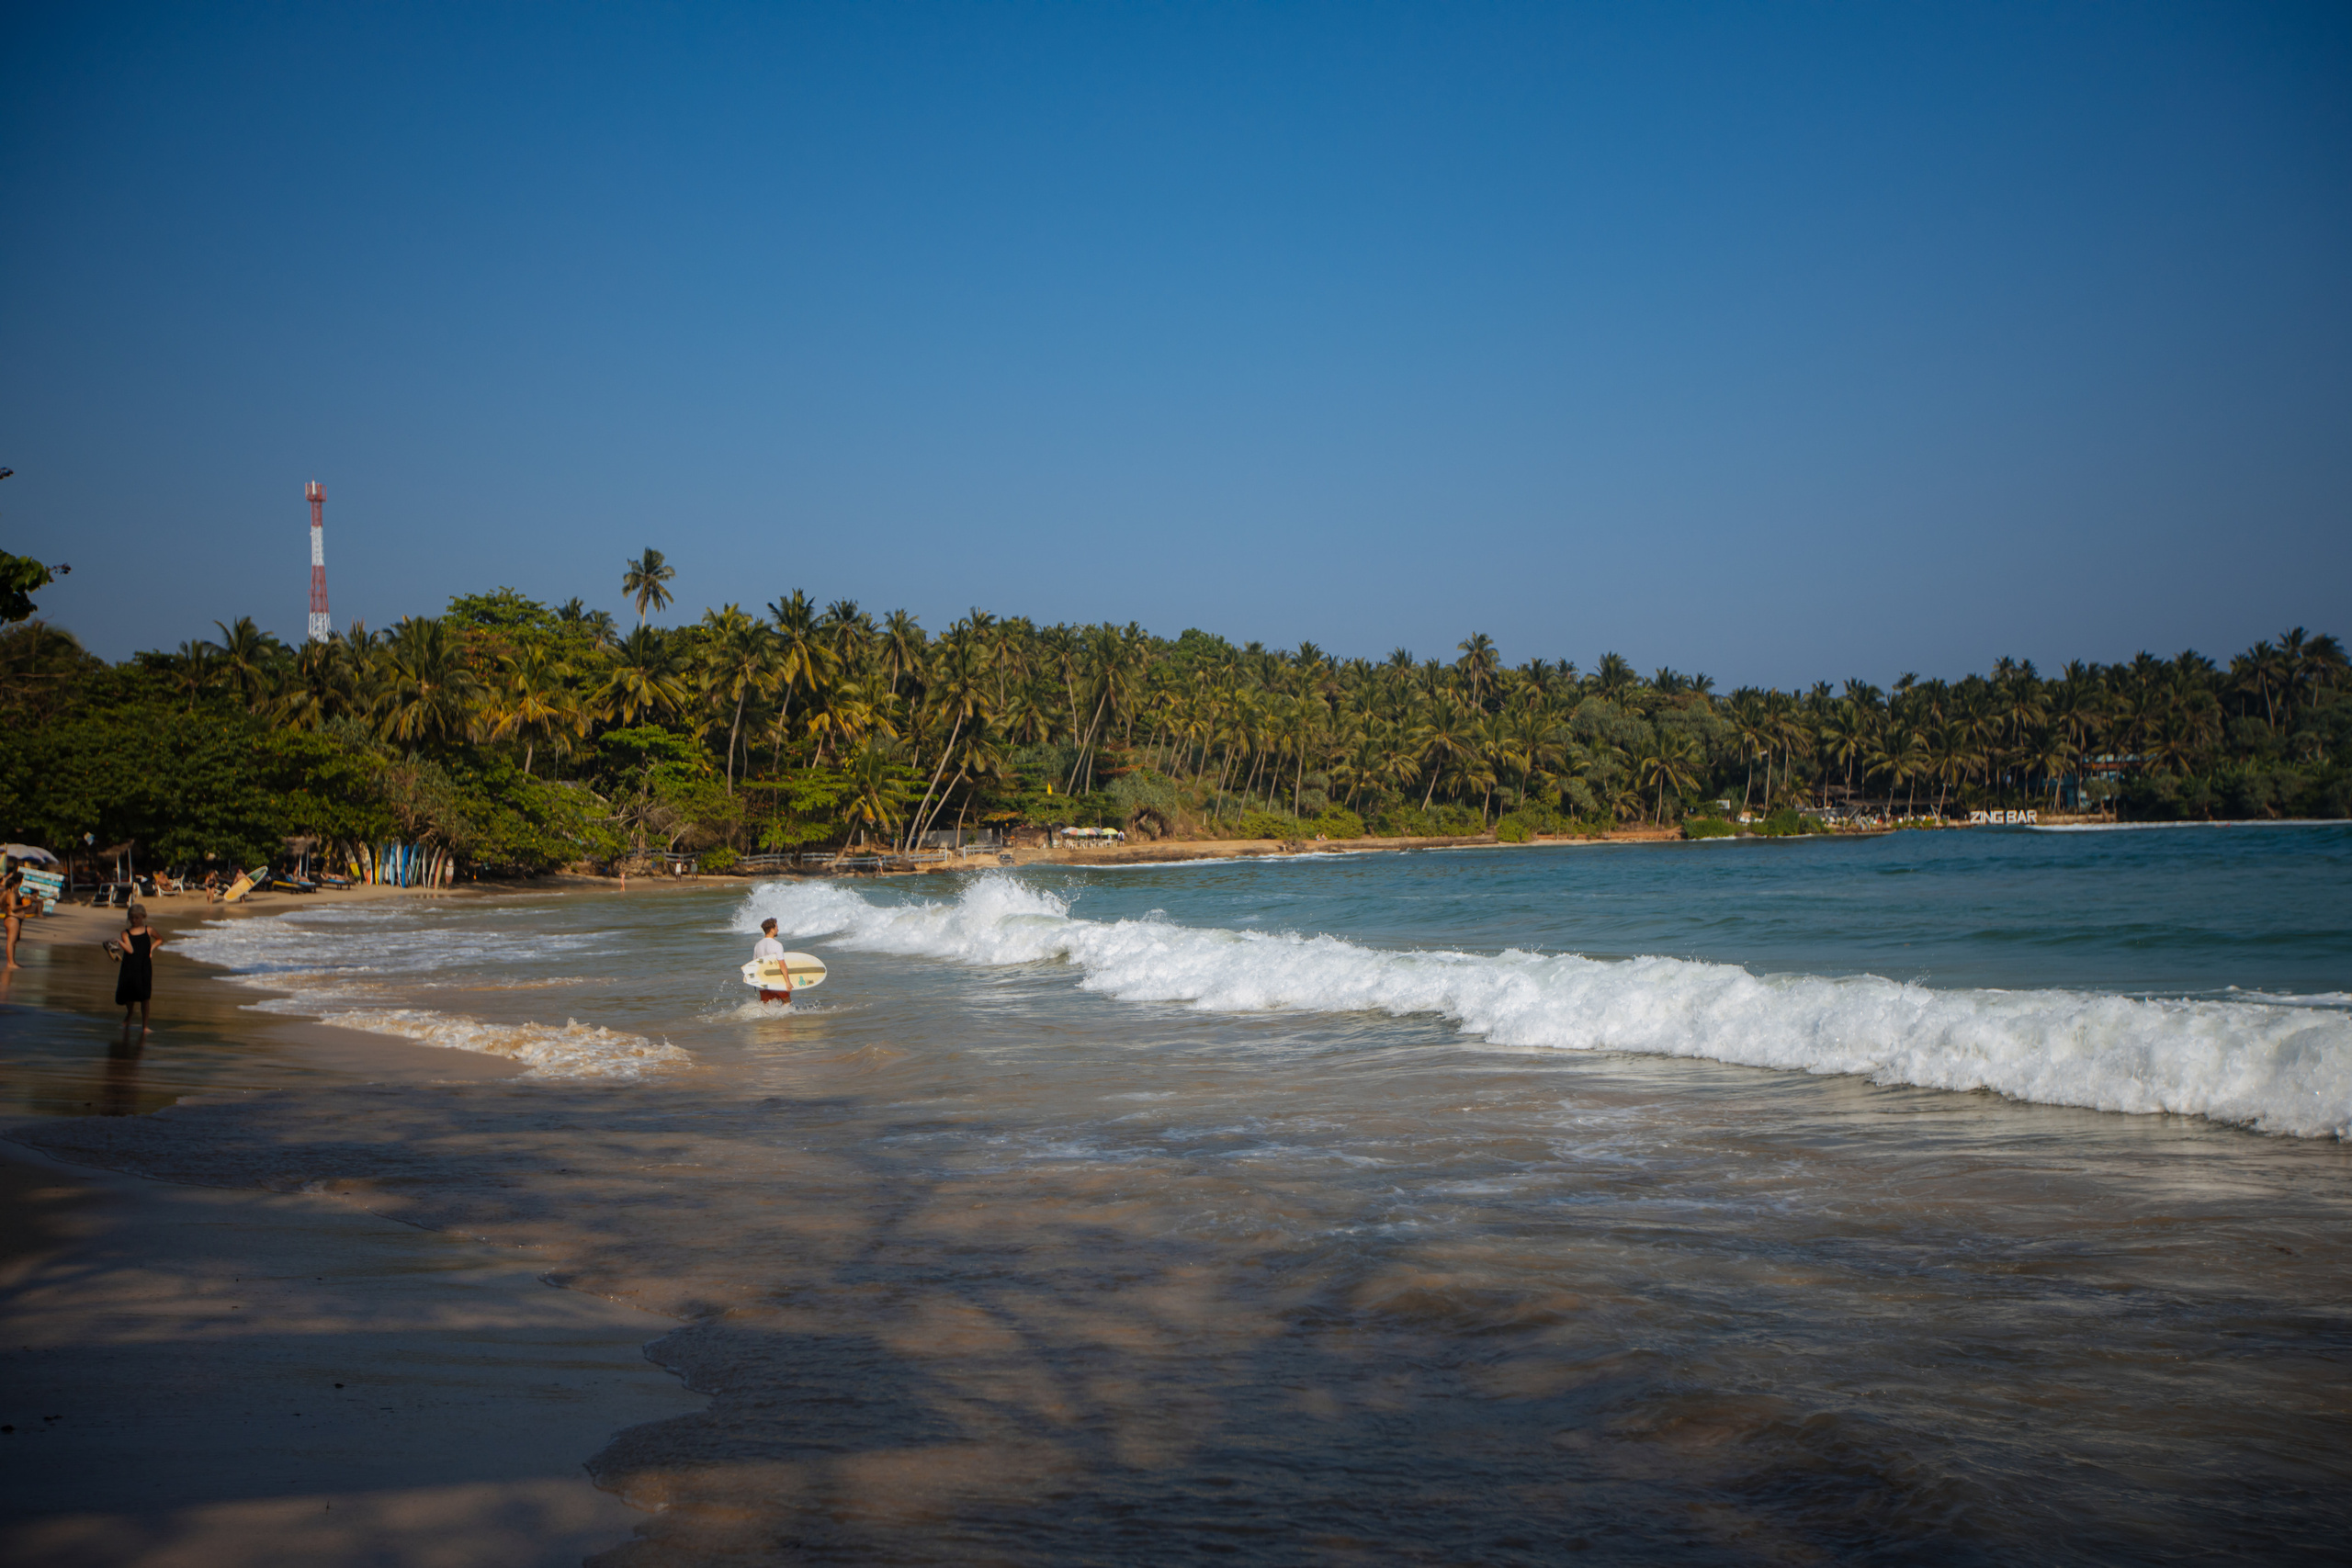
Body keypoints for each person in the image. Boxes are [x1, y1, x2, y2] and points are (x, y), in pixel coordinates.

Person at [106, 902, 164, 1037]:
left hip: (144, 964)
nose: (134, 920)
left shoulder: (148, 930)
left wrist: (151, 949)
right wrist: (119, 942)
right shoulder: (125, 933)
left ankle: (145, 1026)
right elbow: (130, 950)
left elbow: (160, 939)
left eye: (137, 917)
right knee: (129, 994)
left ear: (143, 917)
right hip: (130, 965)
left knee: (145, 996)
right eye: (131, 917)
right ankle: (129, 1014)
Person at [752, 917, 792, 1006]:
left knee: (766, 1008)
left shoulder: (757, 945)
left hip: (763, 982)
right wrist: (788, 982)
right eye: (776, 927)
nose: (778, 929)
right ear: (772, 930)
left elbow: (754, 965)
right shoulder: (777, 945)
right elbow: (782, 964)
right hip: (776, 981)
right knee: (787, 1003)